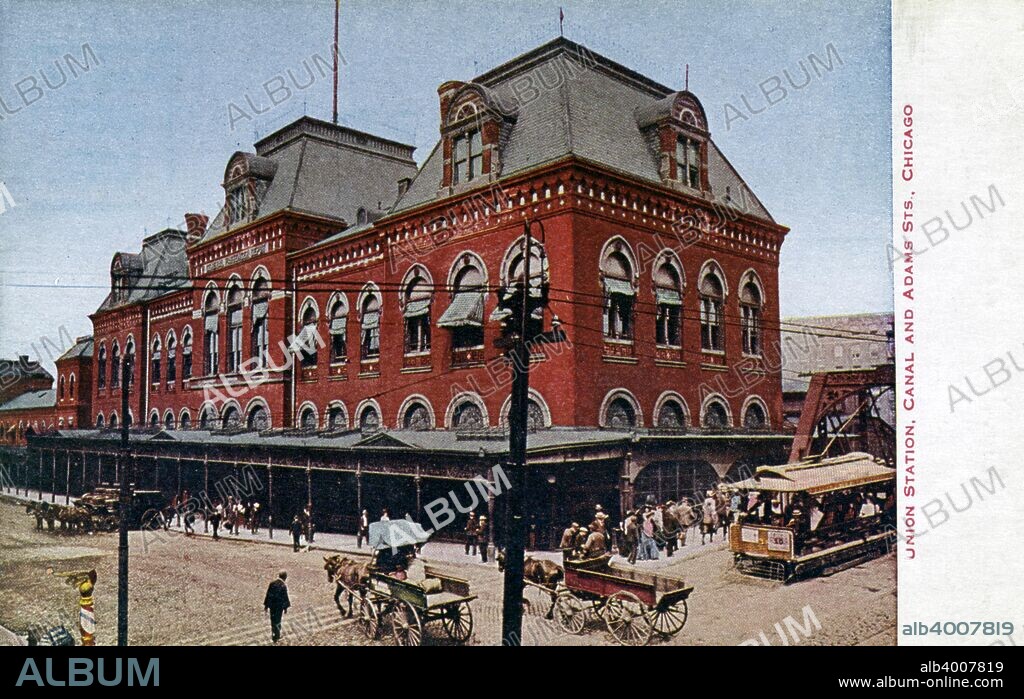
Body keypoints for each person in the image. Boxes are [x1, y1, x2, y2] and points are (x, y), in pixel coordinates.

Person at [263, 571, 290, 643]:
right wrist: (285, 608)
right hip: (279, 607)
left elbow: (268, 594)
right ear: (285, 577)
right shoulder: (283, 586)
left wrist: (266, 605)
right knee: (278, 621)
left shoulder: (272, 583)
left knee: (272, 620)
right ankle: (277, 636)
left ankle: (273, 634)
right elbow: (285, 597)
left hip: (272, 606)